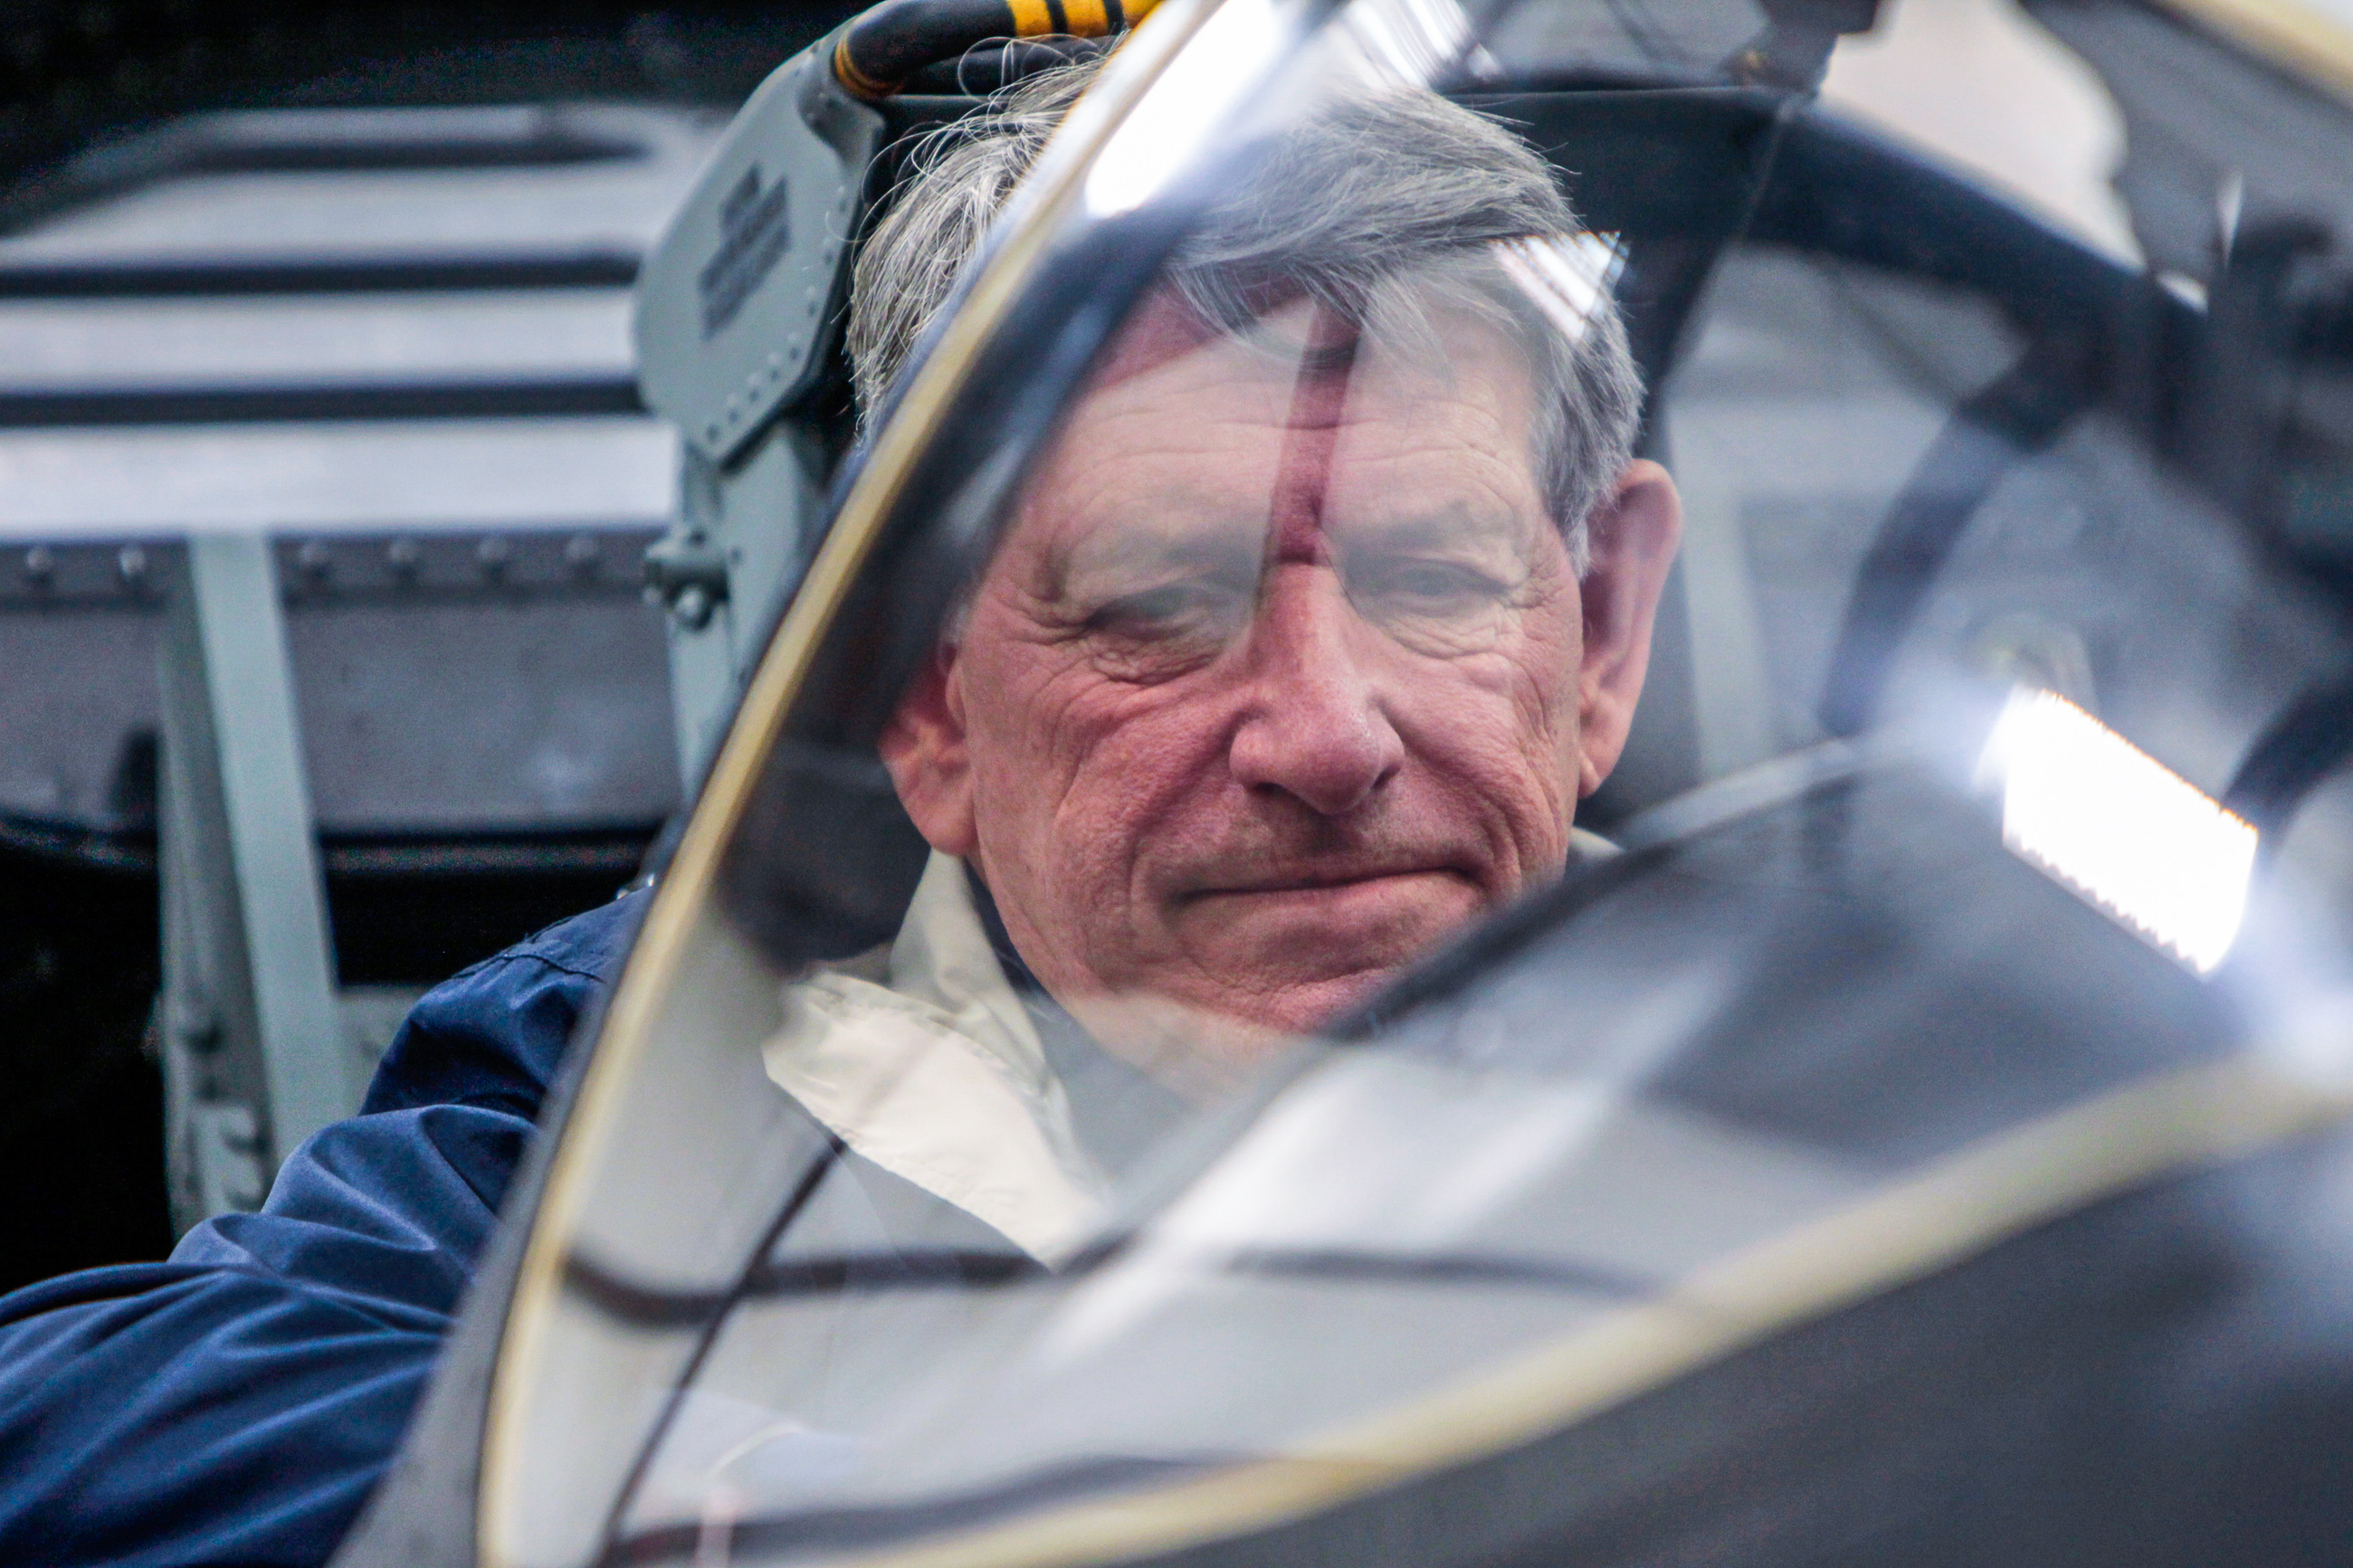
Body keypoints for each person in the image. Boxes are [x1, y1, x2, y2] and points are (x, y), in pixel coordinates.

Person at [0, 62, 1679, 1568]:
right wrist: (793, 1507)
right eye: (1166, 602)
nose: (1325, 733)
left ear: (1599, 632)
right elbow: (77, 1414)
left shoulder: (1828, 1015)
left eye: (1433, 578)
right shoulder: (676, 1066)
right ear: (921, 692)